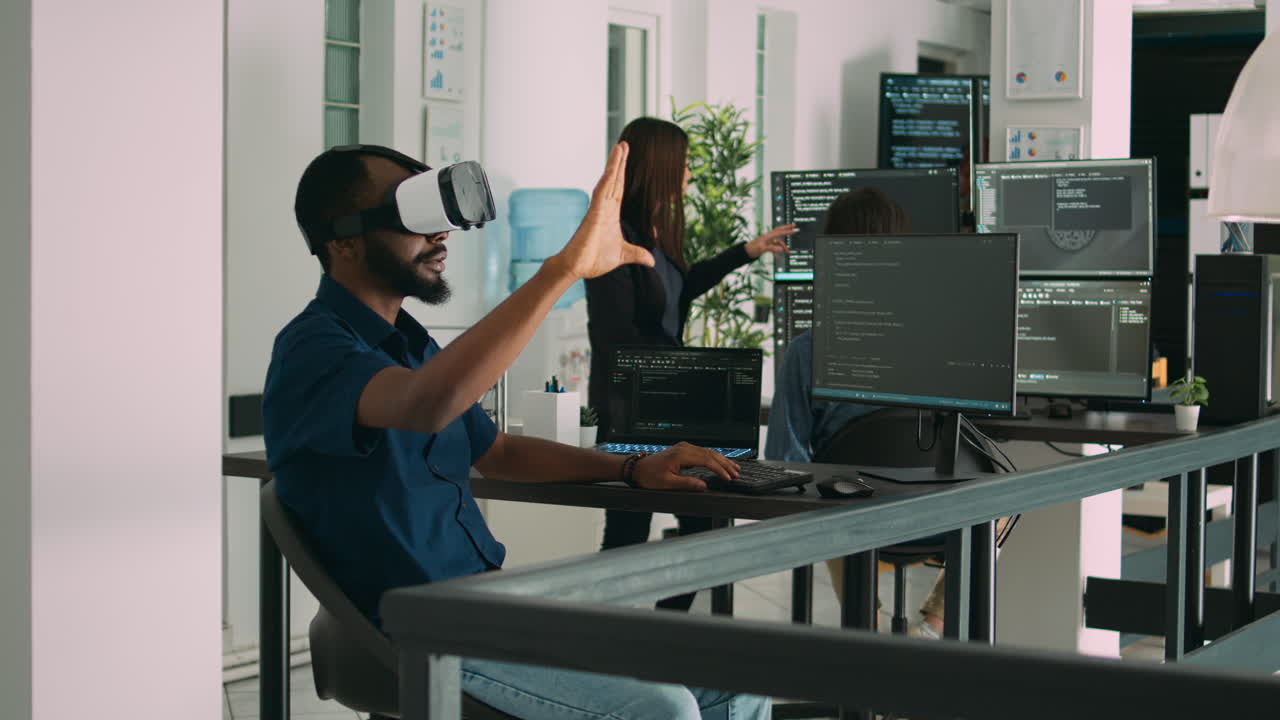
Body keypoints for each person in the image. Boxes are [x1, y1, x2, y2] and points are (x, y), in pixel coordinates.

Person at [263, 142, 770, 720]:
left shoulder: (409, 344)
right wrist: (563, 270)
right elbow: (426, 404)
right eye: (415, 220)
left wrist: (631, 466)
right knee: (662, 709)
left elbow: (496, 450)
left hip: (490, 607)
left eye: (440, 223)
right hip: (422, 632)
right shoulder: (313, 350)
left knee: (739, 679)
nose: (440, 237)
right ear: (343, 240)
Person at [585, 117, 796, 610]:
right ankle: (605, 636)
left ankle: (660, 627)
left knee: (706, 523)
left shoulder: (658, 235)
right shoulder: (615, 237)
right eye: (682, 165)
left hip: (670, 400)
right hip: (633, 407)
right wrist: (692, 376)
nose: (688, 175)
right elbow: (617, 338)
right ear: (658, 168)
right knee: (627, 535)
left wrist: (746, 252)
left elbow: (680, 295)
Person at [765, 186, 948, 638]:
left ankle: (862, 626)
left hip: (853, 521)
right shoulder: (941, 343)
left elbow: (783, 459)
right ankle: (933, 627)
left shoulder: (806, 352)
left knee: (827, 492)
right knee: (1007, 503)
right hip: (935, 515)